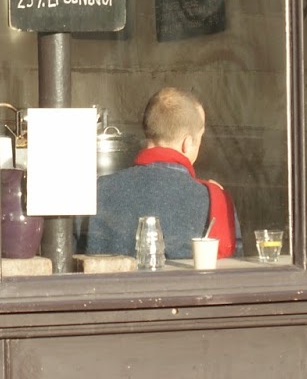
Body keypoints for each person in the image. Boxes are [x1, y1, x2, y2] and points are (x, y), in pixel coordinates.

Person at [84, 87, 240, 260]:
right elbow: (233, 268)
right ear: (187, 143)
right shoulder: (215, 201)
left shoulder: (94, 192)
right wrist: (219, 198)